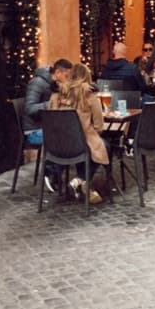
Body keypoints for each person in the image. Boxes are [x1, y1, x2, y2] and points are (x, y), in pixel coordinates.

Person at [49, 63, 108, 204]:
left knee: (89, 147)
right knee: (104, 146)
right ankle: (80, 180)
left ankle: (82, 184)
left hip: (57, 146)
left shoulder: (56, 95)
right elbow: (99, 126)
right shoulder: (90, 95)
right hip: (80, 146)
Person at [22, 58, 73, 189]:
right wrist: (52, 104)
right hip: (33, 131)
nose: (67, 79)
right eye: (66, 76)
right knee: (65, 138)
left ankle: (59, 172)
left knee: (74, 134)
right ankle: (51, 172)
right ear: (58, 72)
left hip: (48, 127)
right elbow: (30, 108)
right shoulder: (37, 83)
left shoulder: (53, 84)